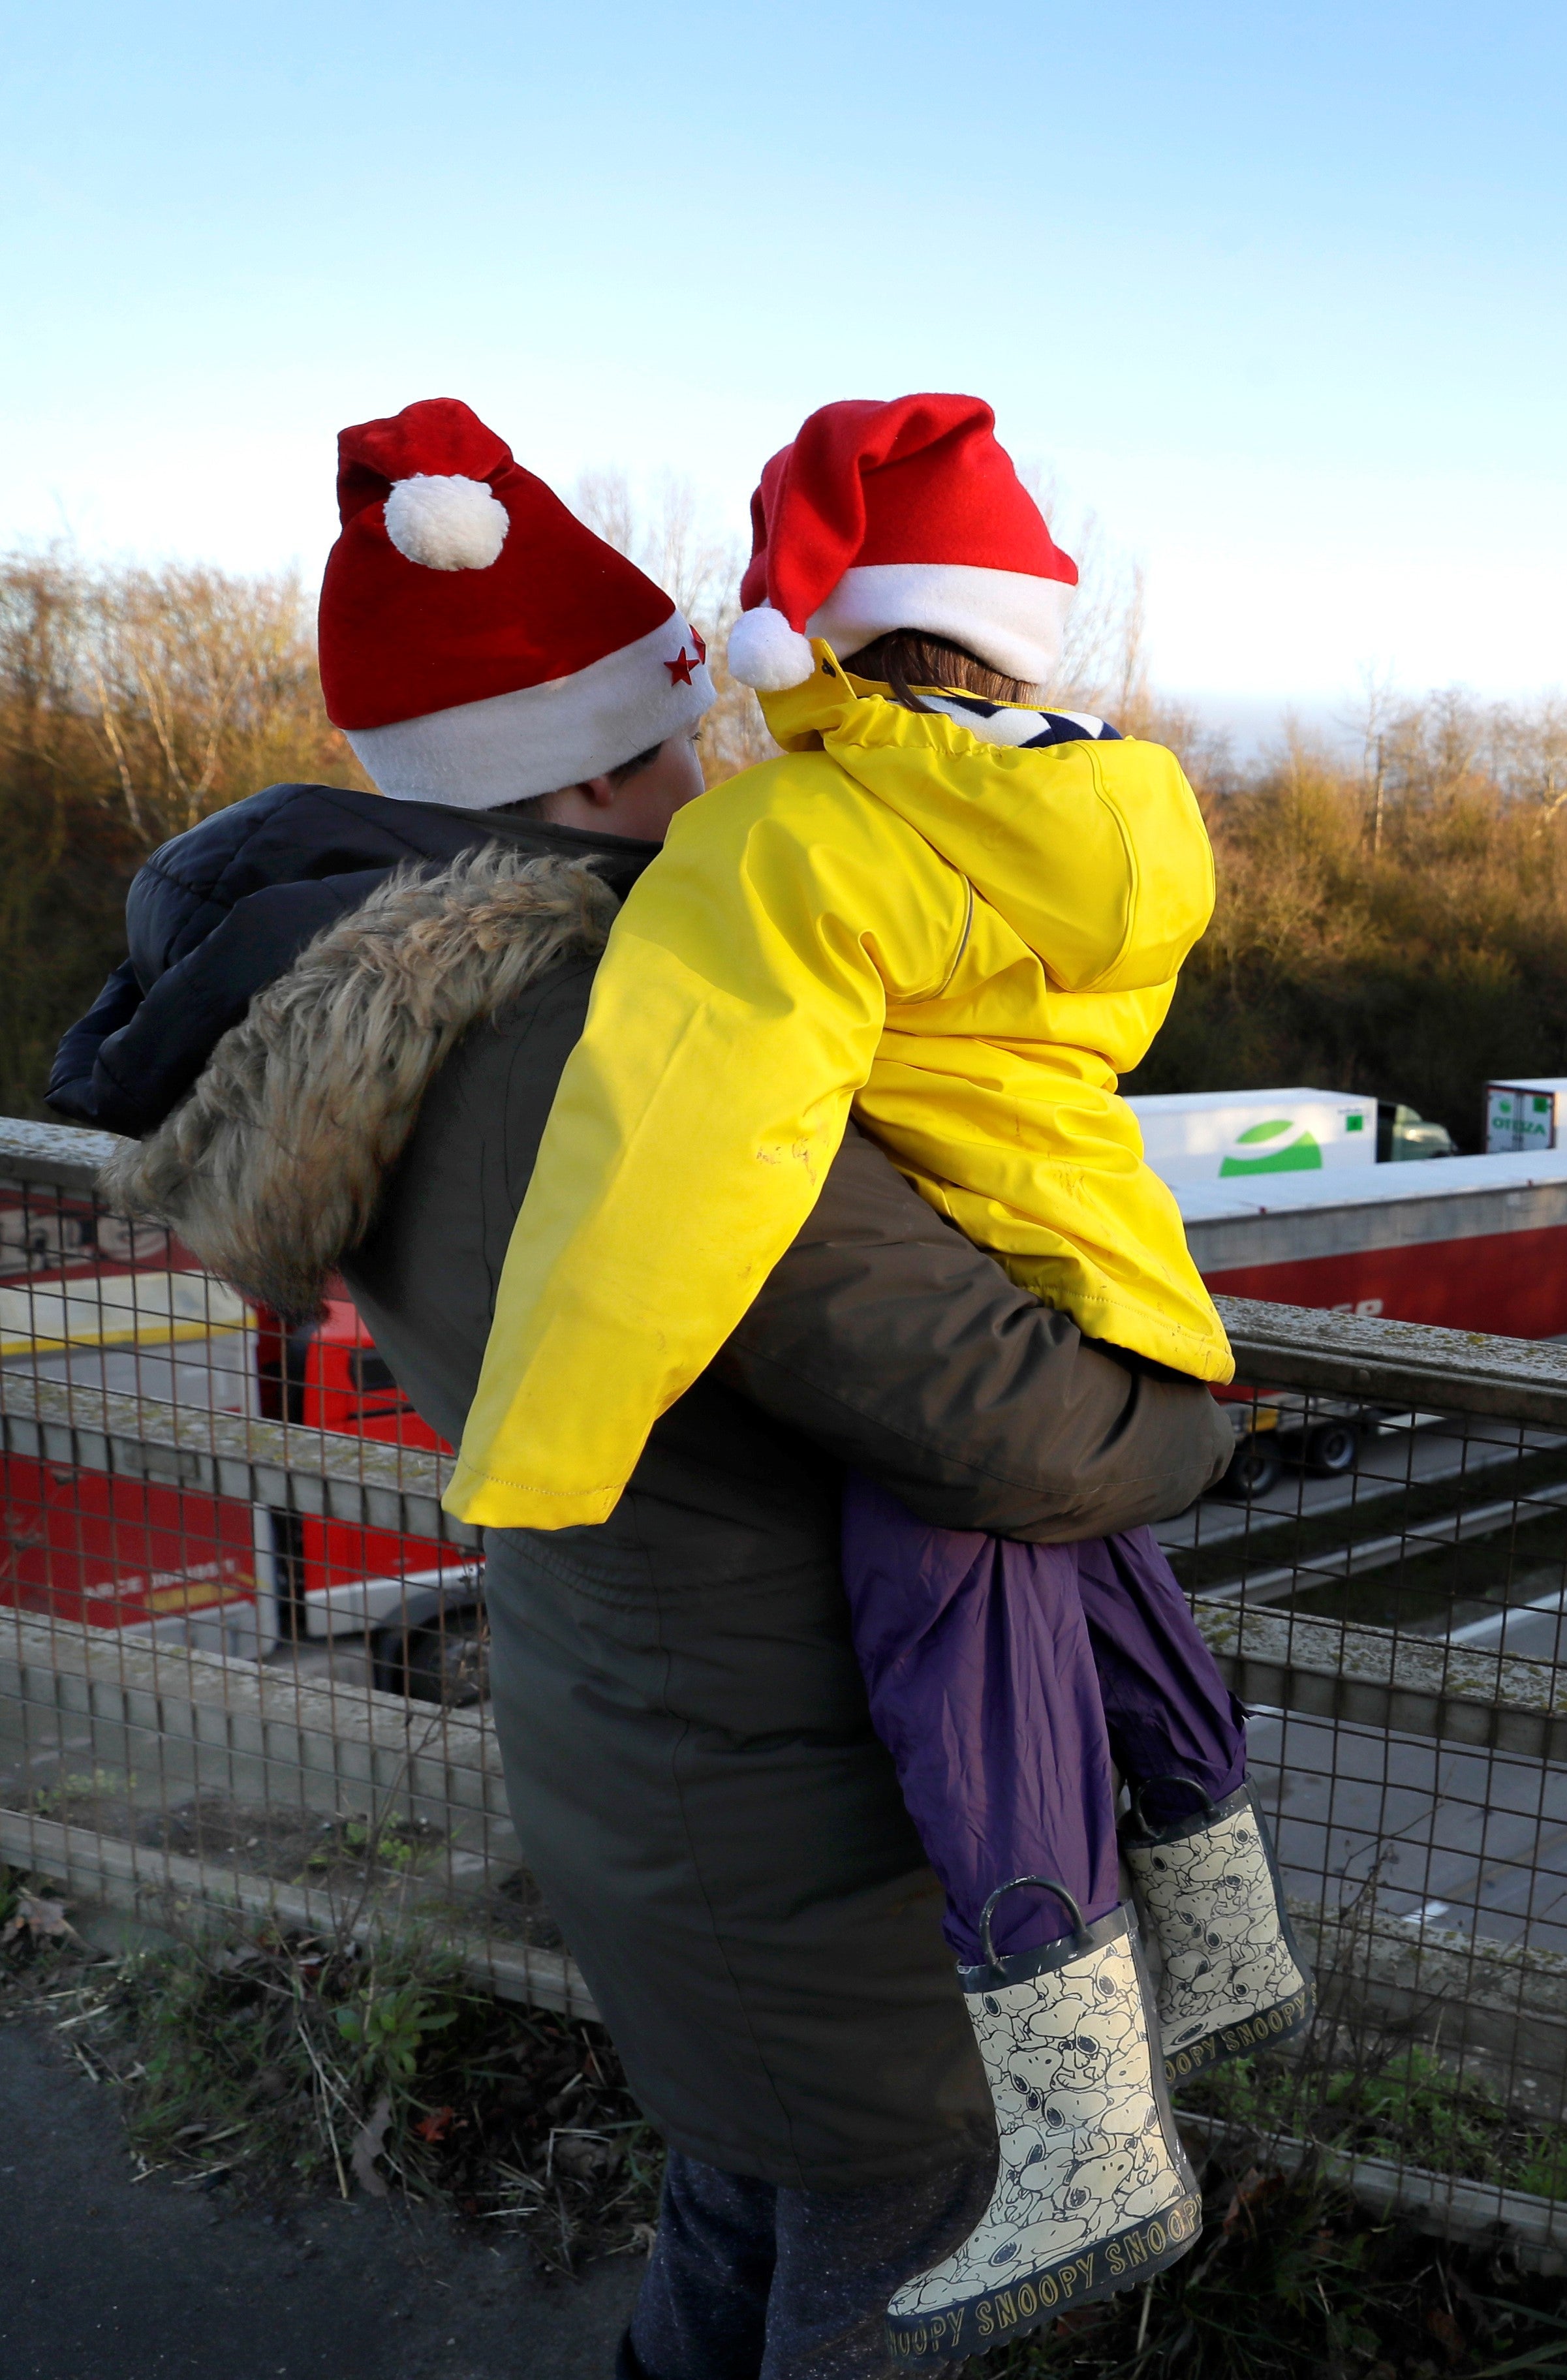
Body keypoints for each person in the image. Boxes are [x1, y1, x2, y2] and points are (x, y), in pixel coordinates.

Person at [57, 398, 1237, 2378]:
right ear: (594, 772)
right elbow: (1003, 1417)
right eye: (681, 740)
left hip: (647, 1729)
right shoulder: (611, 1038)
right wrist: (1189, 1417)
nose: (714, 776)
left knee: (744, 2204)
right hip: (809, 1798)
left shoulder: (359, 985)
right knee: (881, 2251)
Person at [431, 394, 1311, 2358]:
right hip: (1092, 1253)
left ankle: (1095, 2137)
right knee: (1096, 1596)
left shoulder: (788, 838)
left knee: (963, 1648)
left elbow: (687, 1146)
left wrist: (542, 1436)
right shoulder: (1110, 805)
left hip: (968, 1318)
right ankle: (1228, 1929)